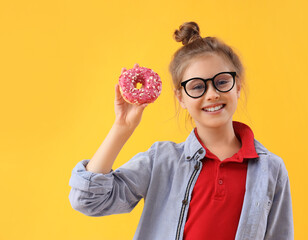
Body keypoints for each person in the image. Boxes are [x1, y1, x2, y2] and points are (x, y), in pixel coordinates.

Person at [69, 21, 294, 240]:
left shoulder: (271, 169)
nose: (212, 94)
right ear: (181, 97)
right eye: (197, 86)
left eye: (222, 82)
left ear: (238, 86)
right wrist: (121, 128)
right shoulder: (161, 161)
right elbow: (87, 200)